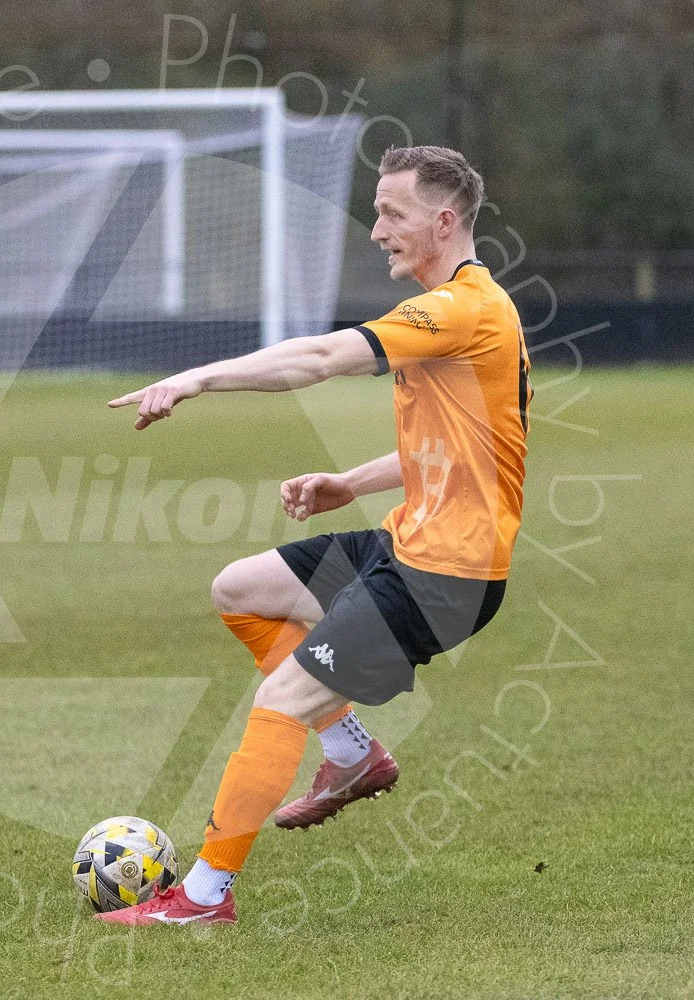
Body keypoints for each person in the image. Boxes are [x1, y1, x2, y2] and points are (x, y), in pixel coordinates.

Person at [100, 145, 531, 925]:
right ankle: (351, 753)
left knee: (282, 696)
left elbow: (323, 356)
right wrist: (350, 485)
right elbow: (457, 446)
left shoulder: (464, 309)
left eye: (391, 213)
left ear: (442, 220)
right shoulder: (469, 306)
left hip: (446, 576)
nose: (376, 230)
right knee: (241, 589)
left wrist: (195, 378)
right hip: (408, 545)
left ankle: (201, 897)